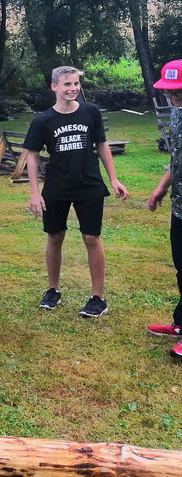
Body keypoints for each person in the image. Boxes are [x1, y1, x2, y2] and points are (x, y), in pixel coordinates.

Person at [24, 66, 129, 318]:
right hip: (57, 186)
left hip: (89, 184)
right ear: (54, 87)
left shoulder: (90, 111)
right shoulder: (42, 121)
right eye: (67, 84)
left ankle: (98, 297)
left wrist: (114, 179)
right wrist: (35, 192)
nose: (73, 89)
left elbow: (102, 145)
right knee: (54, 236)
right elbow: (32, 155)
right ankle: (53, 290)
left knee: (92, 238)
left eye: (76, 84)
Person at [146, 59, 182, 360]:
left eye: (178, 92)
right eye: (169, 91)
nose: (172, 97)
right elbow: (177, 158)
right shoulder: (177, 113)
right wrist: (161, 188)